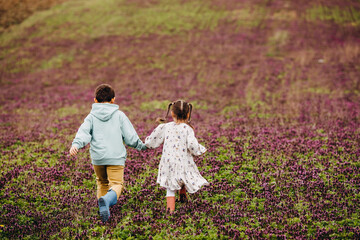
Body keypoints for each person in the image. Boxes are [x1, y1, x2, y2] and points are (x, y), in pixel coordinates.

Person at [69, 84, 147, 223]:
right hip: (115, 157)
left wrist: (76, 144)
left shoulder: (91, 117)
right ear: (113, 100)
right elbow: (130, 137)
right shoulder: (119, 115)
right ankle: (106, 200)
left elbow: (84, 133)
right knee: (117, 184)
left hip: (98, 158)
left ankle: (103, 213)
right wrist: (141, 146)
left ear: (95, 100)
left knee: (102, 182)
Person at [145, 100, 208, 213]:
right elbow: (192, 145)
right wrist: (200, 150)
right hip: (183, 162)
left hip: (168, 163)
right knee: (183, 175)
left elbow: (153, 139)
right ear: (188, 114)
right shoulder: (187, 129)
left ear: (172, 113)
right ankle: (183, 195)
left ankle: (170, 212)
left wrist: (146, 144)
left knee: (170, 187)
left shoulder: (165, 127)